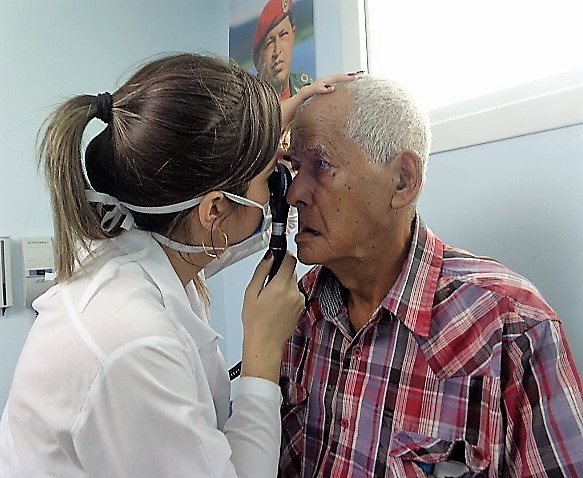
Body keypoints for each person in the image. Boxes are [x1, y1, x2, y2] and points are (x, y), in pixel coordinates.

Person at [0, 52, 354, 477]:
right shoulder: (134, 344)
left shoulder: (129, 244)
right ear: (215, 209)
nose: (286, 190)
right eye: (270, 180)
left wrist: (251, 136)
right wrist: (261, 355)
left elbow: (223, 235)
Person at [278, 76, 583, 476]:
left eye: (320, 165)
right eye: (294, 167)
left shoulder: (513, 328)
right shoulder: (297, 312)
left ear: (403, 180)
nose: (294, 193)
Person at [253, 0, 312, 100]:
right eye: (269, 42)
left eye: (283, 35)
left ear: (292, 36)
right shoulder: (248, 103)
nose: (277, 51)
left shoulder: (306, 89)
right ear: (257, 60)